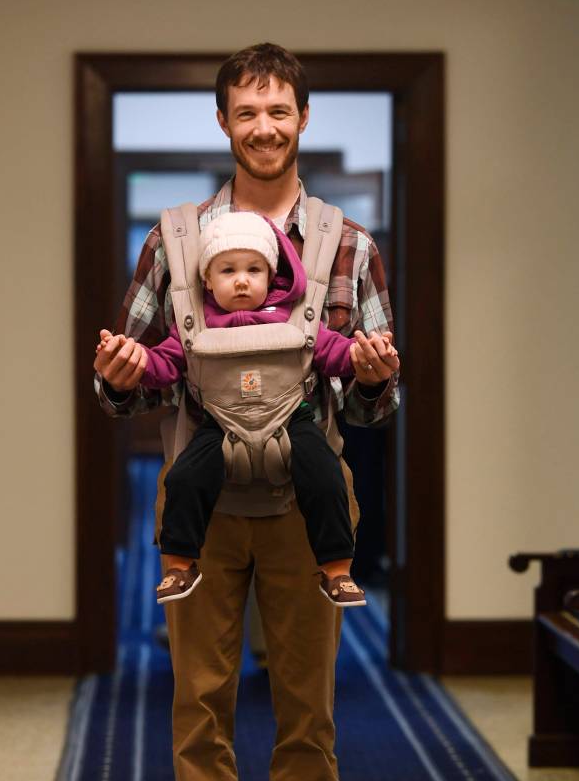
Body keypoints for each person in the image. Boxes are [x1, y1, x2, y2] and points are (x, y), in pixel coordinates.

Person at [94, 41, 400, 781]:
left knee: (307, 715)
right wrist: (114, 378)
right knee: (200, 712)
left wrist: (379, 377)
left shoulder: (350, 245)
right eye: (246, 112)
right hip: (206, 506)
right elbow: (140, 378)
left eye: (280, 110)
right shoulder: (174, 241)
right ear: (223, 122)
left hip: (310, 508)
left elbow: (372, 402)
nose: (263, 127)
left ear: (303, 118)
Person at [98, 210, 397, 609]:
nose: (241, 280)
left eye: (254, 270)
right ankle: (178, 563)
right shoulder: (193, 325)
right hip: (219, 423)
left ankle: (337, 569)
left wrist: (364, 358)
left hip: (291, 419)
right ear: (206, 279)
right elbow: (162, 366)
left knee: (326, 475)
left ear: (273, 275)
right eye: (227, 270)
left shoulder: (296, 318)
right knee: (184, 478)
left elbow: (335, 354)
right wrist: (129, 362)